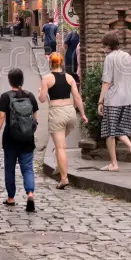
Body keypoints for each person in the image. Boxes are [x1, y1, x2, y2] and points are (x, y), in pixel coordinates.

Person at [38, 53, 88, 189]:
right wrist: (83, 114)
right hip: (70, 112)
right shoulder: (69, 77)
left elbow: (42, 99)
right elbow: (77, 98)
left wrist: (40, 92)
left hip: (57, 112)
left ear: (50, 64)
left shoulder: (47, 79)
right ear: (62, 64)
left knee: (60, 147)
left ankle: (64, 178)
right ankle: (60, 166)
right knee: (61, 145)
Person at [0, 68, 38, 212]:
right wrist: (30, 132)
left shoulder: (5, 97)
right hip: (27, 138)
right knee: (27, 168)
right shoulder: (30, 96)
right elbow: (35, 119)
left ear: (9, 81)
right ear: (22, 80)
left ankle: (11, 198)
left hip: (10, 138)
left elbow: (1, 117)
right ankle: (30, 193)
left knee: (10, 168)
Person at [98, 32, 131, 171]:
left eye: (104, 45)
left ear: (108, 45)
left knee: (109, 133)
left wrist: (100, 101)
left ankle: (114, 164)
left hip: (113, 99)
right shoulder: (127, 56)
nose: (104, 48)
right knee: (119, 129)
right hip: (127, 98)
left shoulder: (109, 58)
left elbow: (106, 82)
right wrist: (123, 80)